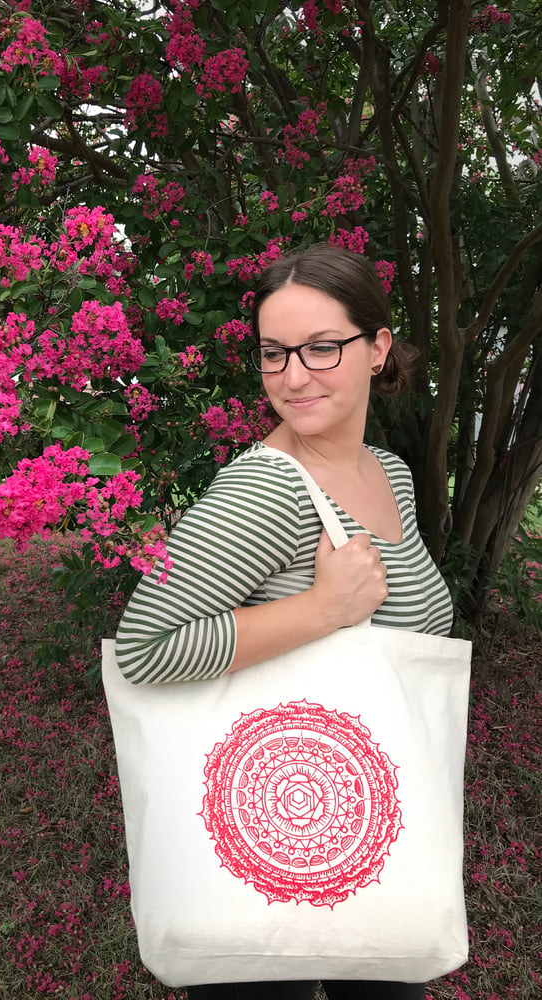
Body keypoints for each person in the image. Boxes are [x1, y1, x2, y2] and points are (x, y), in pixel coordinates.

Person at [114, 243, 455, 1000]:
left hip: (369, 817)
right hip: (271, 835)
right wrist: (319, 610)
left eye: (321, 348)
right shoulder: (264, 492)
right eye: (275, 354)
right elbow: (145, 647)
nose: (294, 376)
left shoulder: (386, 472)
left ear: (377, 349)